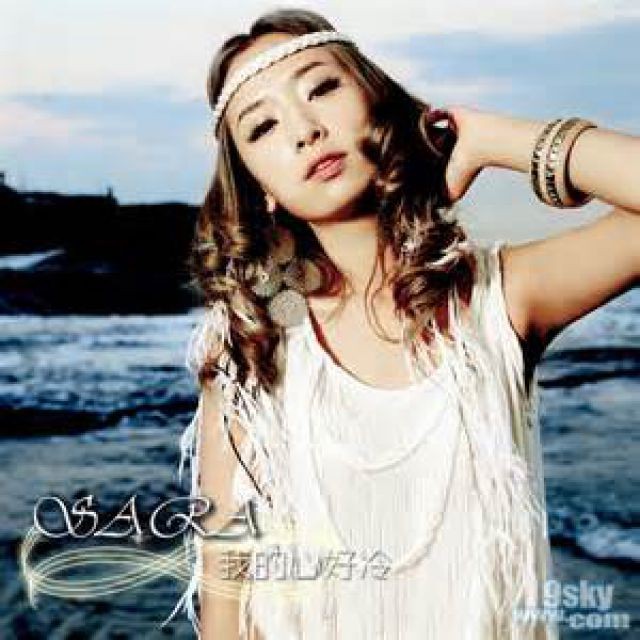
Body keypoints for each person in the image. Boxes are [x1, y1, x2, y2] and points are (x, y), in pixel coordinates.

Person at [169, 8, 640, 640]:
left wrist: (495, 140)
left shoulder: (500, 299)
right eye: (264, 126)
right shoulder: (249, 349)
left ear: (377, 100)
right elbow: (226, 581)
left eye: (322, 88)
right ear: (260, 189)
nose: (305, 130)